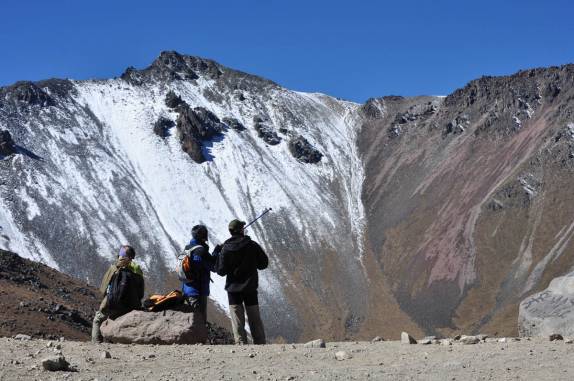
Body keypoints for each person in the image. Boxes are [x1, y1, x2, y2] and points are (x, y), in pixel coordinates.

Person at [216, 219, 269, 344]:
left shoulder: (226, 249)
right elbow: (263, 264)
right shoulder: (252, 245)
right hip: (250, 287)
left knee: (237, 320)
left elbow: (221, 271)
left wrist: (218, 253)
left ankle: (241, 344)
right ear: (241, 230)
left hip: (233, 290)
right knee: (254, 317)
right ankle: (260, 343)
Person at [91, 245, 144, 343]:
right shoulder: (137, 270)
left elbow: (103, 288)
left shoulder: (114, 268)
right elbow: (141, 293)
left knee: (98, 319)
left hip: (112, 303)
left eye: (120, 253)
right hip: (131, 306)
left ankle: (96, 343)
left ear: (122, 255)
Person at [181, 224, 219, 324]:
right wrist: (216, 252)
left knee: (190, 321)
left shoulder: (187, 248)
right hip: (198, 291)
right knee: (199, 322)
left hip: (186, 289)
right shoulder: (201, 251)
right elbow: (214, 267)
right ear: (204, 236)